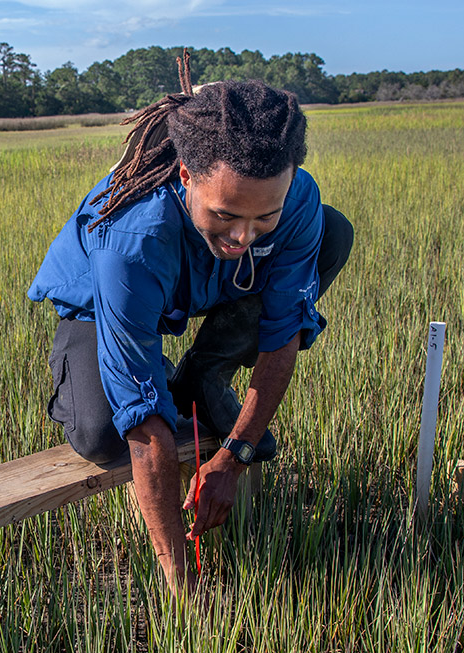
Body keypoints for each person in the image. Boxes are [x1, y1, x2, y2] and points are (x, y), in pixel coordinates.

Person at [27, 63, 354, 595]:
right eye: (226, 213)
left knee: (332, 233)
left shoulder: (296, 201)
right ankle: (148, 387)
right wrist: (180, 576)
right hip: (103, 296)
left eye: (263, 217)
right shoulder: (131, 234)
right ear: (186, 176)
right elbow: (142, 421)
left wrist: (235, 453)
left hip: (208, 278)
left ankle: (202, 378)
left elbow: (281, 336)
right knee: (101, 432)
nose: (244, 235)